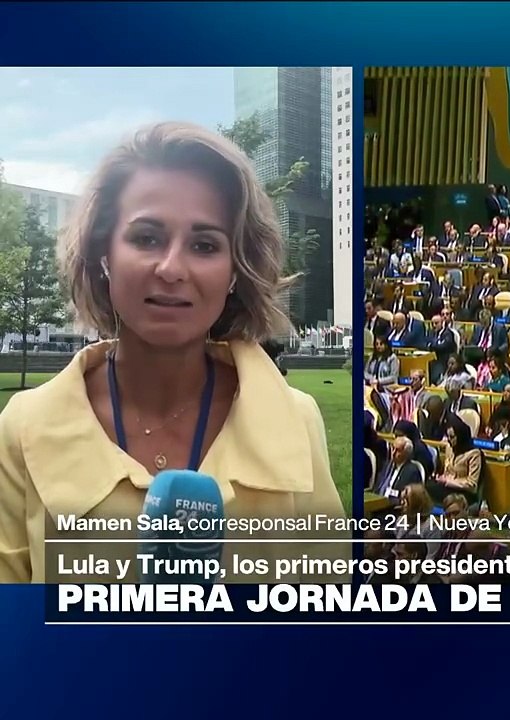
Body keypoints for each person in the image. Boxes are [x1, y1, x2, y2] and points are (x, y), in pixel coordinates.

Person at [0, 122, 344, 583]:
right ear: (104, 254)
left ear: (235, 270)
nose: (172, 268)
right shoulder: (22, 430)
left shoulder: (296, 421)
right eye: (146, 238)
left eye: (204, 245)